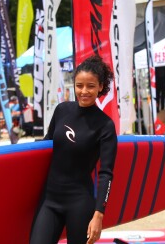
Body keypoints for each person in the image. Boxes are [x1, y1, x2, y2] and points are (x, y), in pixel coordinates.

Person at [30, 55, 118, 244]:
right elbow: (46, 147)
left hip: (79, 202)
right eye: (79, 85)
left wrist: (98, 215)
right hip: (49, 199)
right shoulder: (62, 110)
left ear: (100, 87)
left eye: (91, 86)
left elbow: (106, 173)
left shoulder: (105, 125)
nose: (84, 91)